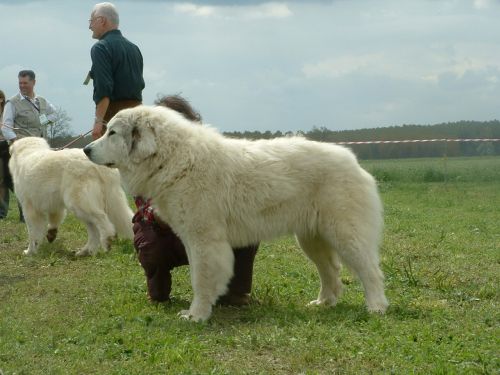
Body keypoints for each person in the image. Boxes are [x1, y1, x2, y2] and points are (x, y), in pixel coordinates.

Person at [133, 95, 259, 305]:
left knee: (248, 225)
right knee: (151, 244)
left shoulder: (212, 157)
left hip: (210, 231)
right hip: (166, 235)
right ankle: (158, 289)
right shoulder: (143, 162)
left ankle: (236, 292)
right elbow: (148, 211)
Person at [1, 71, 57, 221]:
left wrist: (42, 121)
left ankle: (41, 212)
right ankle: (25, 216)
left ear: (33, 82)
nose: (22, 86)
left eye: (25, 83)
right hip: (24, 151)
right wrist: (17, 143)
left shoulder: (43, 101)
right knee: (24, 183)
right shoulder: (12, 103)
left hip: (42, 149)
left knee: (42, 181)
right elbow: (5, 127)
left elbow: (54, 114)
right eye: (20, 83)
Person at [87, 2, 145, 140]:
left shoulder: (100, 48)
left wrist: (99, 122)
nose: (89, 27)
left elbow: (104, 89)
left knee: (106, 161)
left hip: (114, 120)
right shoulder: (134, 48)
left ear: (102, 20)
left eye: (91, 21)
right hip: (137, 118)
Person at [0, 89, 9, 219]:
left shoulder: (7, 113)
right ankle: (1, 212)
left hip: (7, 147)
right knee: (1, 180)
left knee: (11, 181)